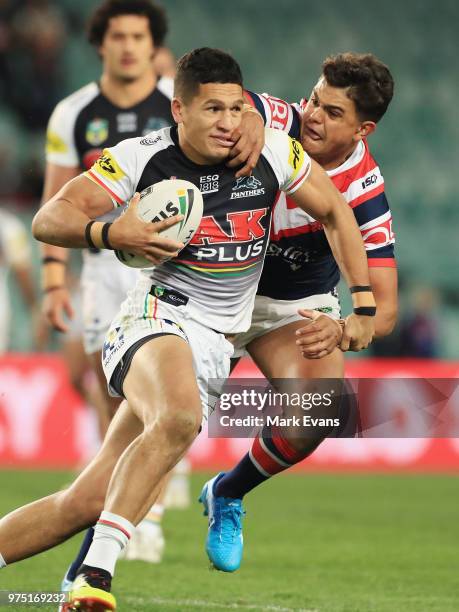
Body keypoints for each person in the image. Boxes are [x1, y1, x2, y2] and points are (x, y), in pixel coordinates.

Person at [0, 47, 375, 611]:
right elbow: (48, 218)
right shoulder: (139, 159)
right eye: (211, 110)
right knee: (179, 418)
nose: (227, 123)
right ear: (178, 110)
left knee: (87, 497)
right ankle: (95, 577)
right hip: (156, 320)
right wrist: (110, 233)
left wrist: (362, 301)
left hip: (214, 342)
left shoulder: (273, 149)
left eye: (234, 108)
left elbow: (335, 210)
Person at [200, 52, 398, 572]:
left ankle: (228, 492)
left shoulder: (364, 192)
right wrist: (241, 124)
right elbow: (240, 108)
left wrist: (344, 325)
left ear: (364, 128)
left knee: (319, 413)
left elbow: (386, 310)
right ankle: (92, 562)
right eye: (313, 99)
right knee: (165, 424)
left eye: (333, 113)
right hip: (212, 288)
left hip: (292, 305)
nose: (313, 115)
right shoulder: (281, 120)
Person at [40, 0, 177, 570]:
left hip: (170, 261)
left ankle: (151, 514)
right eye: (116, 35)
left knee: (162, 392)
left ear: (153, 45)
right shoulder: (73, 115)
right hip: (101, 263)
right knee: (107, 389)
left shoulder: (180, 104)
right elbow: (57, 199)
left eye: (137, 36)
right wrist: (53, 280)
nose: (127, 46)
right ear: (100, 43)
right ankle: (116, 499)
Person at [0, 208, 39, 352]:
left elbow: (22, 271)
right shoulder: (9, 226)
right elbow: (23, 272)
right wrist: (34, 308)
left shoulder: (9, 227)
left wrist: (34, 308)